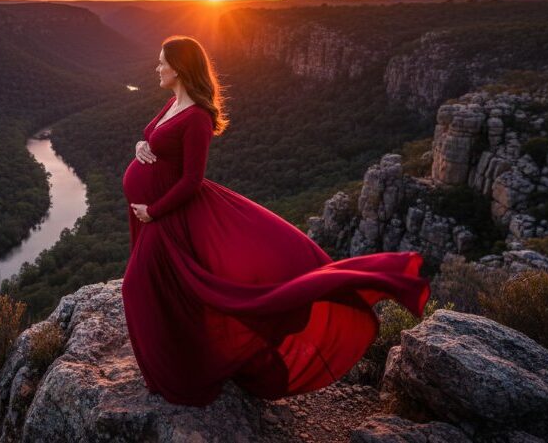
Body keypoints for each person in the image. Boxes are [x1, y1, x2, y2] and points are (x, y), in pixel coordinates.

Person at [121, 35, 431, 407]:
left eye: (161, 62)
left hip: (170, 219)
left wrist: (154, 211)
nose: (156, 68)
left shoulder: (198, 118)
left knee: (136, 286)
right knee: (163, 289)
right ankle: (179, 359)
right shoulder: (173, 103)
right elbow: (152, 138)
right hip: (152, 215)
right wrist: (143, 146)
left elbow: (192, 180)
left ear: (180, 68)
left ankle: (178, 376)